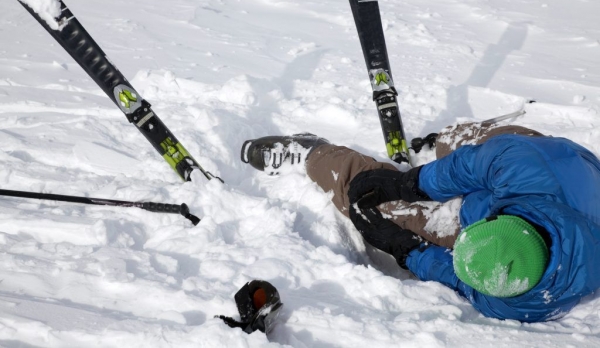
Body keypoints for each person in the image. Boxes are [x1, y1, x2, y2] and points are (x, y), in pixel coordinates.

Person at [240, 122, 600, 323]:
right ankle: (448, 139)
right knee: (466, 150)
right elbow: (468, 168)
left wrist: (407, 250)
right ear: (501, 219)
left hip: (546, 177)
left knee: (381, 205)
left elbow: (461, 280)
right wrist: (409, 183)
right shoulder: (523, 166)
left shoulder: (514, 299)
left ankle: (313, 154)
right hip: (541, 158)